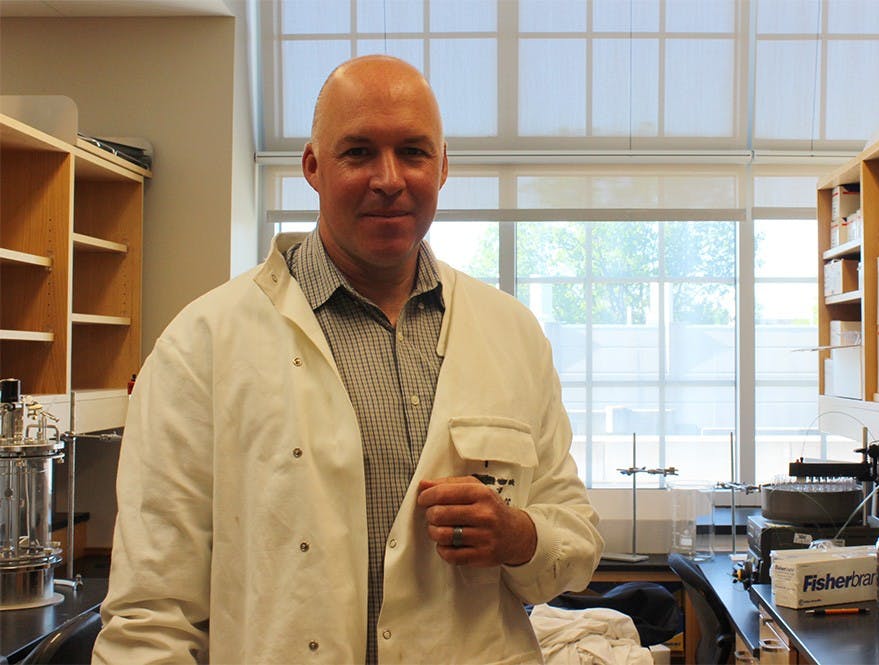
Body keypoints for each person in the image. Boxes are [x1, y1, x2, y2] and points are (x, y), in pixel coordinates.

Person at [92, 55, 603, 665]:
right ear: (313, 166)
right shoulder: (202, 344)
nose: (389, 179)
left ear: (442, 167)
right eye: (358, 152)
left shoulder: (511, 334)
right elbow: (151, 613)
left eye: (413, 152)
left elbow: (573, 539)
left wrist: (519, 536)